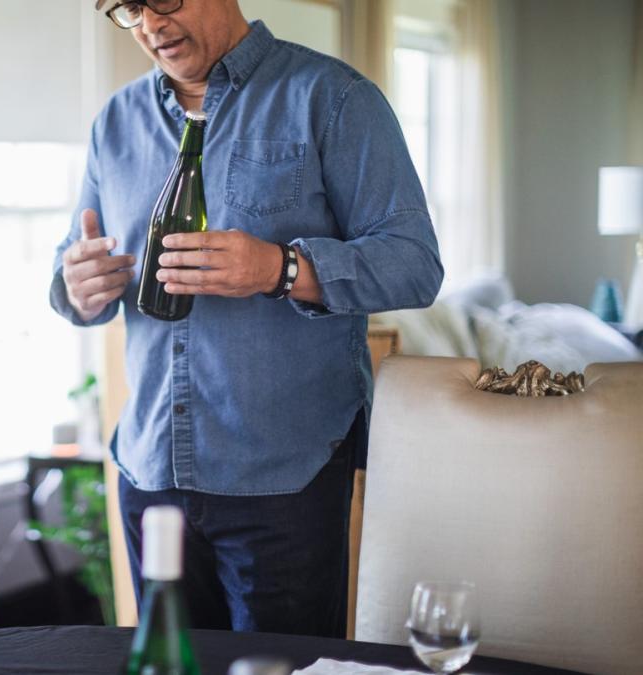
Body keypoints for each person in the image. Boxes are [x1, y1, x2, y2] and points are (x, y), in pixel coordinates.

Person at [52, 0, 443, 637]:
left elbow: (414, 264)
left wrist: (281, 270)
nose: (149, 23)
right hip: (150, 474)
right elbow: (72, 272)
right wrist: (77, 287)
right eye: (127, 8)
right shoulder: (114, 123)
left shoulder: (334, 98)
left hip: (284, 479)